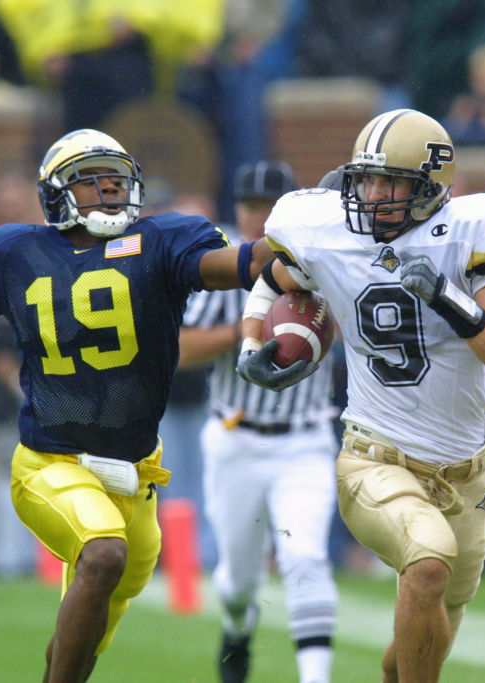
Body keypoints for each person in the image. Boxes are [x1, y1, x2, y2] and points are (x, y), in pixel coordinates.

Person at [0, 128, 273, 682]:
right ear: (55, 195)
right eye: (92, 182)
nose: (110, 192)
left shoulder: (161, 241)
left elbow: (243, 264)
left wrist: (295, 254)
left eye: (116, 180)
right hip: (51, 463)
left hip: (136, 478)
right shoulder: (13, 253)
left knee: (84, 637)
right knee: (102, 556)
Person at [237, 109, 485, 683]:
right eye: (366, 180)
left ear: (430, 188)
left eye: (391, 182)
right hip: (374, 460)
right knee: (426, 565)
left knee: (426, 630)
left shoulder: (469, 240)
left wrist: (451, 299)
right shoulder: (327, 233)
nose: (373, 195)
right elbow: (271, 276)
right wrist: (252, 344)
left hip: (467, 473)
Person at [178, 160, 339, 683]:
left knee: (306, 557)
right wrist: (245, 336)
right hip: (235, 440)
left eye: (270, 207)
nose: (259, 217)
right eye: (250, 206)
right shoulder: (223, 270)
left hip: (305, 439)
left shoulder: (327, 264)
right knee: (238, 582)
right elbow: (179, 350)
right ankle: (237, 629)